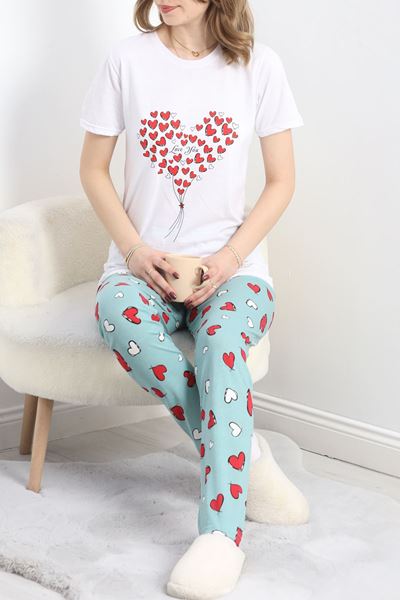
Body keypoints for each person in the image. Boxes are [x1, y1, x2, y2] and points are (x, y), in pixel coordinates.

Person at [79, 1, 305, 598]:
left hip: (232, 269)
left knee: (222, 341)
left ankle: (220, 539)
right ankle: (244, 454)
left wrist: (228, 258)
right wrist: (133, 251)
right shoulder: (126, 61)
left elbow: (282, 180)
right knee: (120, 319)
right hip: (140, 264)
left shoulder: (259, 66)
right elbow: (94, 169)